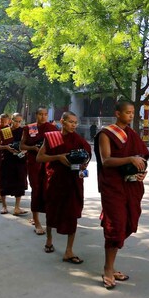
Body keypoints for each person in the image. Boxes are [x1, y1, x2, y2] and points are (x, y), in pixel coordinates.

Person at [96, 101, 149, 289]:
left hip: (131, 186)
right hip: (113, 187)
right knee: (116, 226)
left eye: (132, 113)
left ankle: (111, 267)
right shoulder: (106, 134)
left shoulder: (132, 135)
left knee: (127, 223)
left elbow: (142, 157)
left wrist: (142, 170)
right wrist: (129, 159)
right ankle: (107, 269)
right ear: (117, 113)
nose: (131, 115)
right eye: (127, 112)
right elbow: (106, 160)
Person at [37, 111, 91, 265]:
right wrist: (58, 157)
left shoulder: (78, 139)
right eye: (71, 122)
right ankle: (49, 240)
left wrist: (83, 163)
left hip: (73, 180)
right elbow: (39, 157)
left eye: (76, 122)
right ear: (62, 121)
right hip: (56, 180)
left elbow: (87, 154)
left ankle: (69, 250)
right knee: (52, 211)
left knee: (72, 214)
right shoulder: (52, 137)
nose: (73, 125)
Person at [20, 107, 59, 236]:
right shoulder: (30, 128)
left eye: (45, 114)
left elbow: (57, 145)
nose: (43, 117)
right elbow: (22, 146)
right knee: (36, 190)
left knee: (50, 190)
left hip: (49, 163)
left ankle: (51, 218)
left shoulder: (52, 128)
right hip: (34, 163)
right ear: (36, 115)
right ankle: (36, 221)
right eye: (40, 114)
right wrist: (33, 148)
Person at [0, 112, 28, 216]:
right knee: (4, 182)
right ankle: (4, 206)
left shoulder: (24, 131)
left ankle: (17, 207)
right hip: (7, 159)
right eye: (15, 121)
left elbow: (28, 145)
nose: (18, 123)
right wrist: (5, 147)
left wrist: (24, 151)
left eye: (20, 121)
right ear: (11, 120)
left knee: (19, 183)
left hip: (20, 160)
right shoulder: (5, 131)